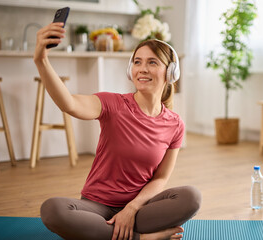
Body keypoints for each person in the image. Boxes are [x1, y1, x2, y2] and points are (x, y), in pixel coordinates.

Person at [34, 22, 201, 240]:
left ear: (170, 72)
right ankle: (143, 238)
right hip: (96, 208)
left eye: (152, 62)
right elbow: (70, 104)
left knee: (192, 197)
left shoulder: (175, 124)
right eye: (137, 62)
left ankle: (111, 233)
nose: (142, 68)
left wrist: (131, 208)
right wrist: (41, 60)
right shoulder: (112, 103)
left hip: (140, 209)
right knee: (52, 210)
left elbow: (160, 179)